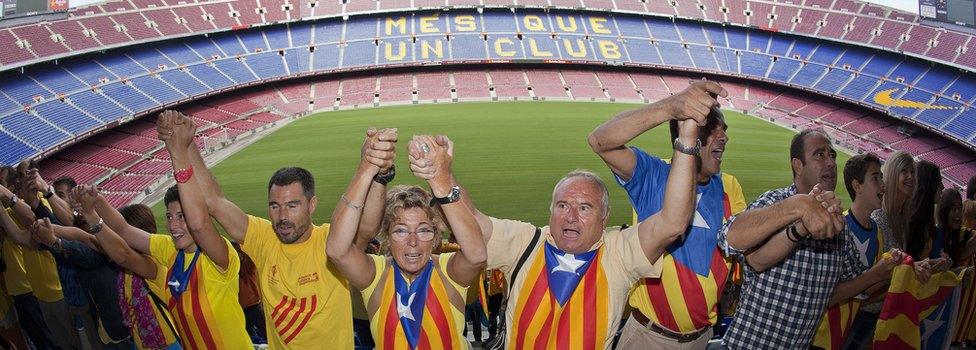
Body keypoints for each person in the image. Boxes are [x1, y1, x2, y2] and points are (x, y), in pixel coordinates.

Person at [406, 116, 700, 348]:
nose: (570, 217)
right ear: (551, 209)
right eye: (562, 205)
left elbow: (673, 222)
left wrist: (686, 141)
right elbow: (472, 223)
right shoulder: (526, 242)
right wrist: (440, 176)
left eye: (585, 208)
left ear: (604, 217)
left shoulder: (618, 252)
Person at [154, 109, 393, 348]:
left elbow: (366, 228)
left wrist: (378, 174)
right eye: (275, 206)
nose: (282, 216)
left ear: (312, 204)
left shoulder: (330, 241)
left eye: (292, 205)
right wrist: (187, 143)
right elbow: (214, 202)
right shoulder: (263, 237)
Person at [588, 80, 747, 348]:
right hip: (647, 337)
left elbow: (742, 243)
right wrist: (670, 107)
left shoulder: (730, 187)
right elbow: (600, 141)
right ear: (687, 133)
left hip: (701, 338)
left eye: (725, 130)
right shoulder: (652, 174)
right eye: (711, 129)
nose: (724, 137)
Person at [80, 112, 251, 349]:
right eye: (170, 217)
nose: (173, 225)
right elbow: (124, 230)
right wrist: (96, 204)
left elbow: (200, 225)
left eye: (182, 217)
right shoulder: (169, 250)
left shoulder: (219, 255)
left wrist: (177, 152)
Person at [718, 129, 902, 349]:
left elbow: (843, 288)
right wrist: (800, 215)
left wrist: (891, 270)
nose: (831, 162)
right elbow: (732, 240)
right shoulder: (775, 201)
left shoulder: (838, 228)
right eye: (819, 155)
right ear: (798, 165)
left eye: (832, 155)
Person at [327, 134, 486, 348]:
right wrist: (366, 169)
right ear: (387, 236)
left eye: (423, 231)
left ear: (436, 236)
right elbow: (337, 250)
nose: (413, 242)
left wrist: (439, 180)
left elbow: (477, 255)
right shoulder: (376, 275)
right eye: (401, 231)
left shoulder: (448, 272)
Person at [827, 153, 905, 349]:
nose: (883, 186)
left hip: (851, 329)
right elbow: (829, 293)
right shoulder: (839, 228)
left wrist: (899, 270)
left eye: (882, 178)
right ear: (857, 186)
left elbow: (868, 289)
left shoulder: (877, 232)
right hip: (825, 335)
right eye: (875, 178)